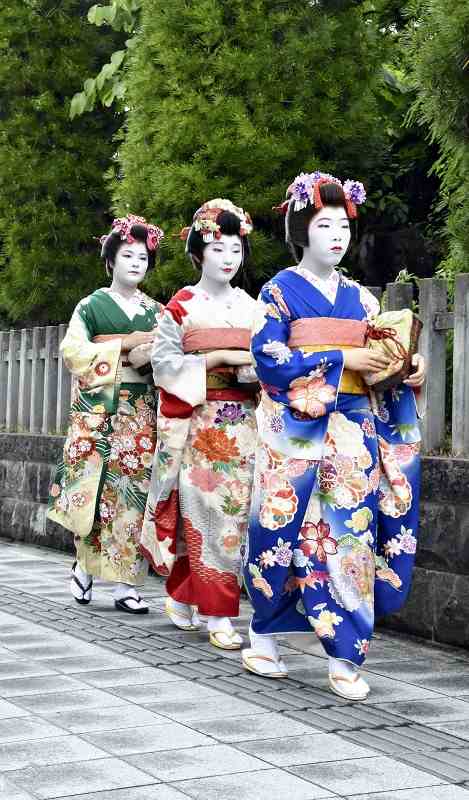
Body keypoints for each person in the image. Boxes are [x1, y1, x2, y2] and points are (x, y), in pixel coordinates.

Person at [242, 172, 425, 699]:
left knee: (349, 533)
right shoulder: (278, 291)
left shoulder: (362, 300)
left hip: (352, 429)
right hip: (296, 427)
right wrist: (341, 356)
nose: (337, 235)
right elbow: (269, 359)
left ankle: (346, 655)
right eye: (324, 225)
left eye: (343, 225)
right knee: (283, 531)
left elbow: (388, 356)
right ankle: (264, 637)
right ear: (302, 232)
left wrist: (409, 371)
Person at [140, 198, 258, 649]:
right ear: (198, 254)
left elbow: (263, 365)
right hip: (199, 425)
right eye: (218, 250)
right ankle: (219, 614)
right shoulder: (181, 307)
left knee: (232, 518)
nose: (228, 259)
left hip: (245, 423)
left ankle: (184, 591)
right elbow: (165, 366)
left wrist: (253, 372)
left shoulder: (252, 307)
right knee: (209, 513)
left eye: (235, 249)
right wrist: (221, 358)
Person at [48, 214, 164, 614]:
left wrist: (147, 354)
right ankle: (84, 566)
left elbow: (167, 358)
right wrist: (124, 347)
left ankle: (126, 584)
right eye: (128, 255)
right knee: (94, 496)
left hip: (140, 413)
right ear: (111, 261)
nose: (136, 263)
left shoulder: (158, 311)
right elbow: (73, 353)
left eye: (143, 257)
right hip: (98, 413)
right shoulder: (91, 305)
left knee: (132, 493)